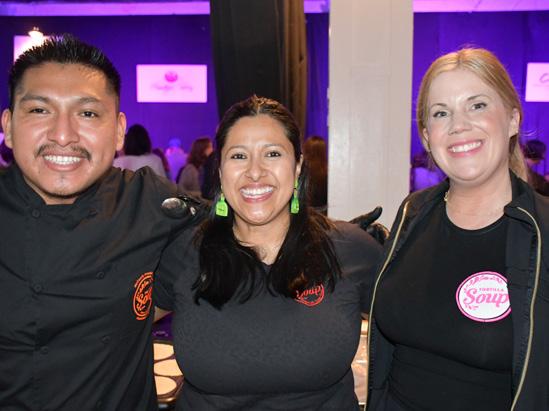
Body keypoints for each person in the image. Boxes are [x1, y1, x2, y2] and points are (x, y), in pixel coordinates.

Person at [0, 34, 197, 410]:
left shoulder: (147, 201)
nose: (63, 135)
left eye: (88, 114)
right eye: (39, 110)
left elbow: (237, 236)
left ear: (119, 130)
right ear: (8, 126)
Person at [154, 95, 382, 410]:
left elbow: (420, 337)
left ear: (298, 166)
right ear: (220, 171)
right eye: (238, 156)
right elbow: (112, 327)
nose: (255, 172)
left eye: (272, 153)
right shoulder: (185, 253)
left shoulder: (350, 250)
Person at [367, 48, 549, 411]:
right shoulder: (413, 213)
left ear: (513, 119)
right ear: (427, 136)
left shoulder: (542, 230)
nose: (458, 125)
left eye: (477, 105)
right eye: (441, 113)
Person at [303, 135, 328, 211]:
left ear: (306, 150)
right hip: (325, 211)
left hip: (304, 211)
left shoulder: (300, 170)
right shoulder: (329, 171)